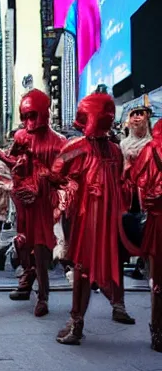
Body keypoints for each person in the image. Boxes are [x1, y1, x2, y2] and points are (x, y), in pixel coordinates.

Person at [53, 93, 135, 345]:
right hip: (85, 217)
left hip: (107, 218)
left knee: (106, 264)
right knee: (83, 268)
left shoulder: (113, 150)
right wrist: (71, 186)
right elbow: (55, 174)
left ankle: (103, 310)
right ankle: (77, 321)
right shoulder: (77, 147)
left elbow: (121, 183)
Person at [0, 89, 65, 317]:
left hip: (44, 203)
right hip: (24, 201)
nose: (29, 122)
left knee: (42, 249)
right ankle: (27, 278)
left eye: (32, 116)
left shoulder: (58, 142)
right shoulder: (23, 136)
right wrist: (2, 157)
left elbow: (62, 175)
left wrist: (43, 177)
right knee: (23, 242)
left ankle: (42, 295)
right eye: (25, 117)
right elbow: (14, 161)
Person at [131, 119, 162, 352]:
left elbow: (136, 178)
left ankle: (158, 331)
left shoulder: (150, 149)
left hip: (158, 219)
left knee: (158, 279)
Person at [121, 104, 152, 280]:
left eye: (140, 114)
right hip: (129, 195)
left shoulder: (153, 144)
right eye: (133, 115)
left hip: (149, 193)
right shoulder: (123, 145)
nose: (136, 118)